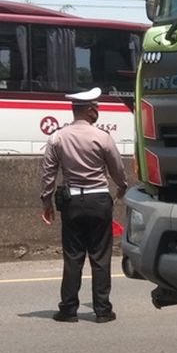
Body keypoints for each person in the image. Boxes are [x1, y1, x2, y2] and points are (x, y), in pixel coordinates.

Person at [40, 87, 129, 323]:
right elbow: (117, 169)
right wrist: (122, 186)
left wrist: (46, 202)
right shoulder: (102, 137)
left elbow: (48, 173)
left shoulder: (57, 137)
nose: (98, 111)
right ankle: (102, 310)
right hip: (99, 200)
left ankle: (68, 309)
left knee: (73, 257)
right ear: (90, 111)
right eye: (96, 108)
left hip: (72, 203)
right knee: (100, 256)